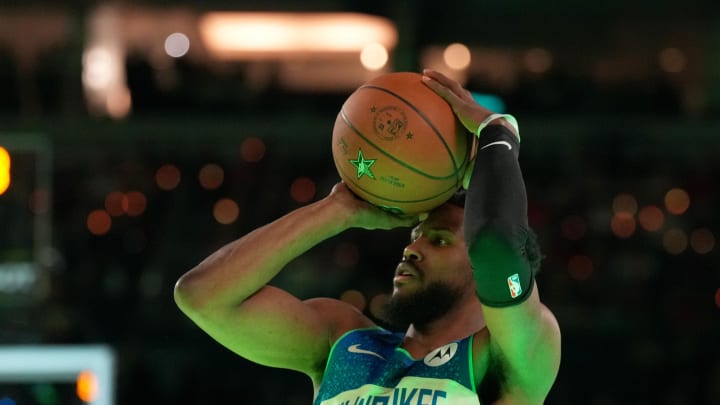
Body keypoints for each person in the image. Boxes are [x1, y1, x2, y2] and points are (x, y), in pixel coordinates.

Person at [174, 69, 561, 404]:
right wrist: (336, 211)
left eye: (439, 240)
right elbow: (202, 296)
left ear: (480, 271)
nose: (412, 248)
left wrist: (497, 134)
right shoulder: (343, 340)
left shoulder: (506, 355)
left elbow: (497, 249)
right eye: (415, 235)